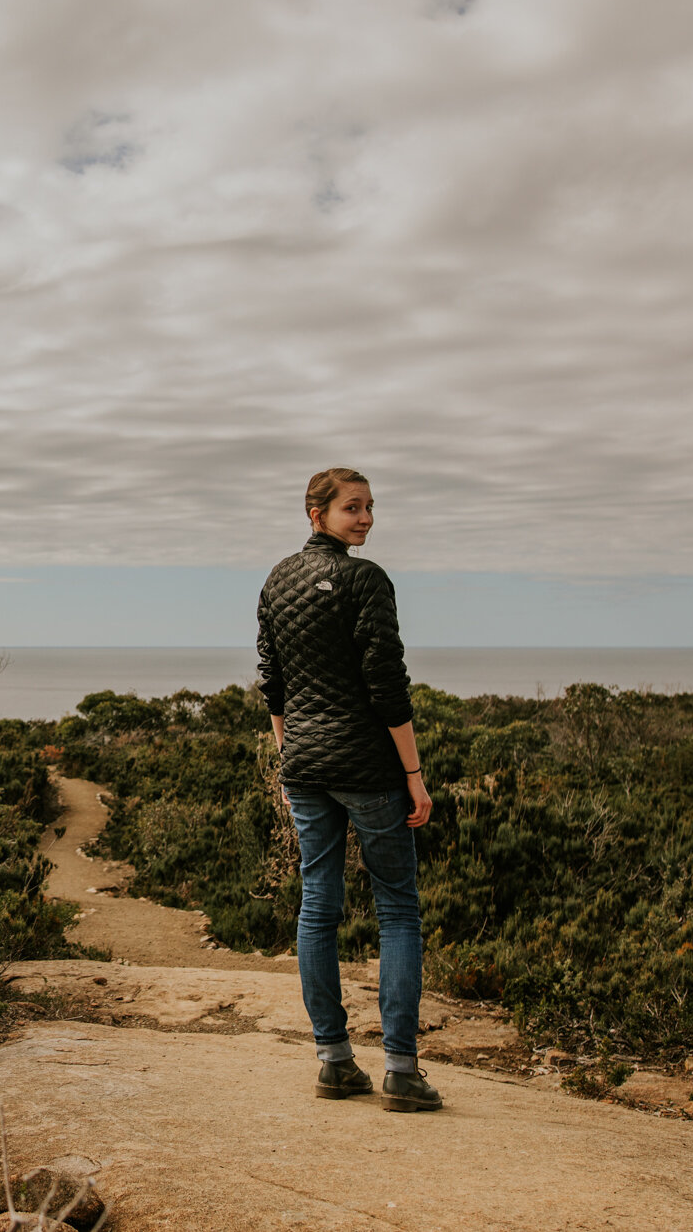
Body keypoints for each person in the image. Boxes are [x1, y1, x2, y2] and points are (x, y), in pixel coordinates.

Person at [256, 467, 442, 1113]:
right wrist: (414, 775)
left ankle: (333, 1060)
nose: (365, 518)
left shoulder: (277, 580)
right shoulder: (367, 581)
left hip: (306, 767)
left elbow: (272, 687)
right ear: (317, 513)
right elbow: (388, 686)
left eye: (369, 507)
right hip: (368, 767)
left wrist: (290, 758)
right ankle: (400, 1070)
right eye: (351, 508)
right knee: (396, 907)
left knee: (318, 905)